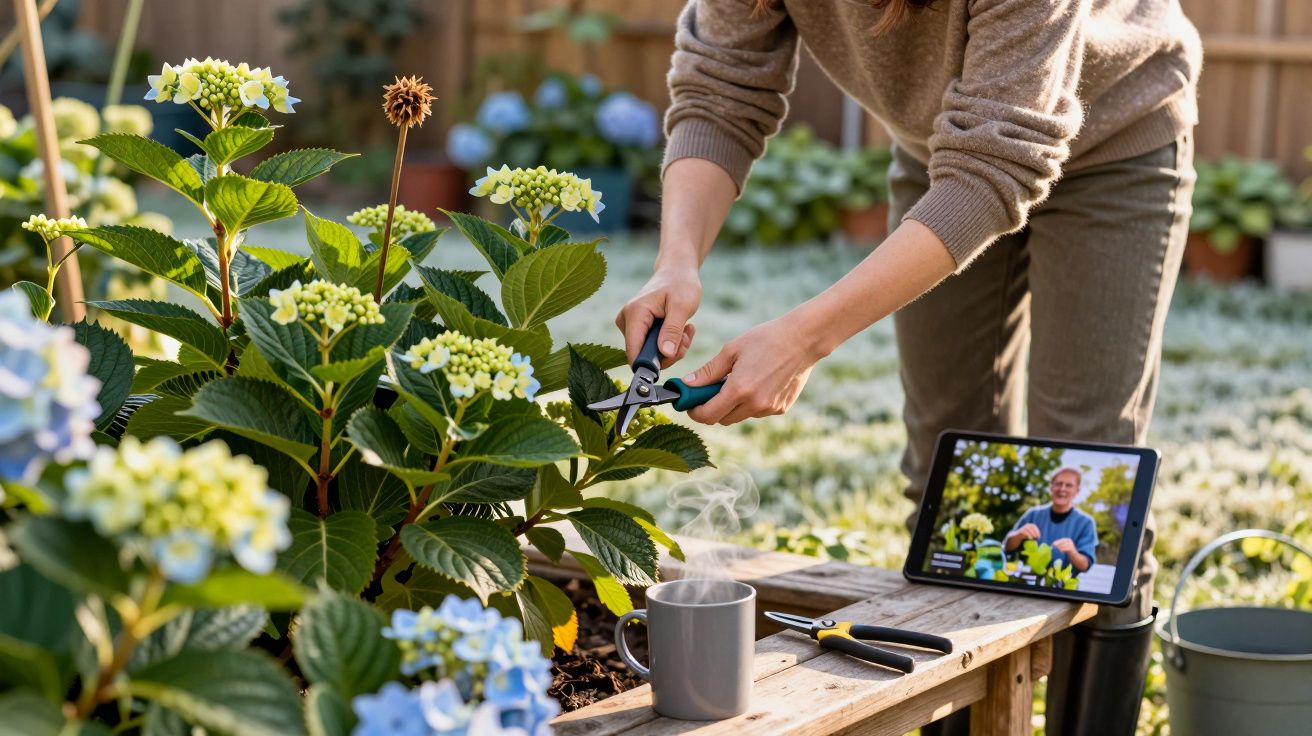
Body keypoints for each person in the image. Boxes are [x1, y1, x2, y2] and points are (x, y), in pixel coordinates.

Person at [615, 1, 1199, 733]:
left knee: (1094, 481)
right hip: (943, 154)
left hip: (1115, 138)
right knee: (945, 475)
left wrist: (801, 340)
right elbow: (720, 86)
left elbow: (998, 162)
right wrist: (675, 259)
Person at [1004, 468, 1098, 574]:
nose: (1062, 489)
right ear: (1051, 487)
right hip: (1027, 580)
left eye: (1069, 485)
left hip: (1064, 586)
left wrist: (1072, 551)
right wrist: (1019, 534)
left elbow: (1085, 565)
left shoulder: (1086, 523)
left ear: (1077, 491)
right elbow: (1007, 548)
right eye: (1058, 484)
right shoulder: (1033, 514)